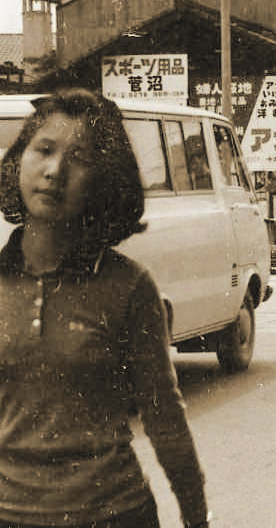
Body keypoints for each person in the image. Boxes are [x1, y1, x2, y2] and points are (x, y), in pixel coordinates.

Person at [0, 89, 210, 528]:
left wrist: (196, 518)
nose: (55, 171)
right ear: (20, 158)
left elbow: (164, 417)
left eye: (79, 159)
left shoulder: (128, 286)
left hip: (114, 514)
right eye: (43, 150)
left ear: (102, 182)